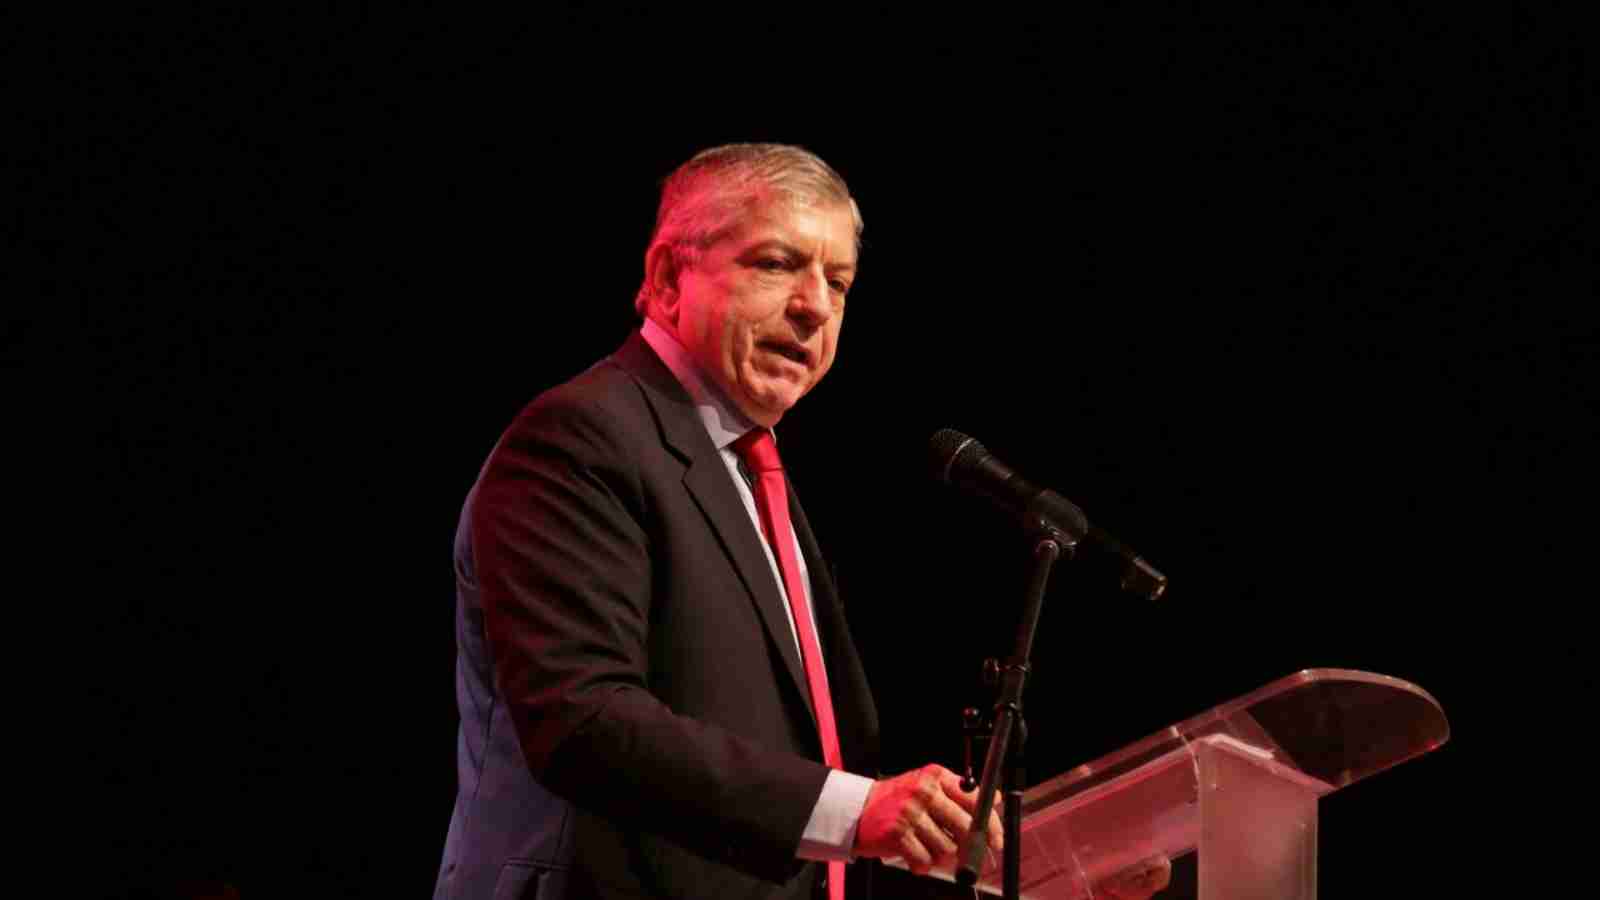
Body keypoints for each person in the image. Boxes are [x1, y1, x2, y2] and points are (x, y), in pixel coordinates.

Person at [433, 144, 1165, 900]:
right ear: (667, 279)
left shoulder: (750, 468)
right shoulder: (579, 439)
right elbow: (582, 721)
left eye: (838, 282)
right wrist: (864, 811)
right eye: (777, 264)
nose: (815, 305)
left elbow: (796, 802)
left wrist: (1030, 868)